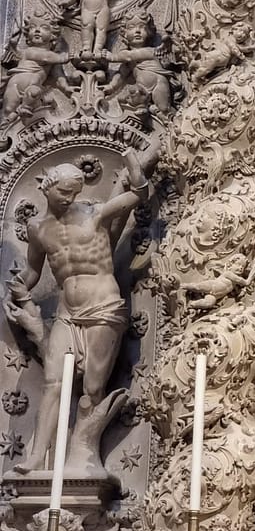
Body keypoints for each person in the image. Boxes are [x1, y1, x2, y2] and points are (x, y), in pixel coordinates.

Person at [4, 150, 148, 472]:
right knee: (53, 382)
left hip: (103, 308)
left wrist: (131, 161)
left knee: (92, 390)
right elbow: (33, 270)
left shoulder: (95, 213)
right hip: (67, 314)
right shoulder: (38, 229)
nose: (69, 198)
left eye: (74, 193)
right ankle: (36, 456)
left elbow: (138, 194)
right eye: (64, 192)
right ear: (48, 187)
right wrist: (18, 287)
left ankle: (81, 459)